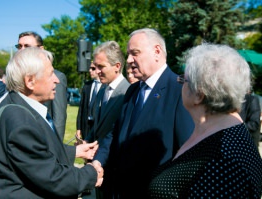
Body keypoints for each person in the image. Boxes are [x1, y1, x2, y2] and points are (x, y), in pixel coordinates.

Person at [148, 43, 262, 198]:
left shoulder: (224, 161)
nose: (180, 84)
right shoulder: (214, 132)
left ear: (199, 95)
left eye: (184, 80)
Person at [0, 47, 104, 198]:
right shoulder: (20, 121)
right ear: (30, 81)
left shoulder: (20, 107)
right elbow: (52, 178)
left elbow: (35, 152)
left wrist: (75, 151)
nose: (57, 79)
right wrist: (91, 173)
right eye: (50, 74)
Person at [104, 28, 194, 199]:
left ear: (157, 52)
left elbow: (186, 154)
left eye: (135, 53)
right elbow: (117, 135)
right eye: (128, 54)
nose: (129, 60)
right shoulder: (132, 91)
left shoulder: (180, 90)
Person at [82, 41, 130, 199]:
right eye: (95, 66)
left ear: (117, 66)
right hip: (97, 164)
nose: (96, 71)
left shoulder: (128, 92)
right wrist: (86, 142)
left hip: (114, 167)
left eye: (101, 66)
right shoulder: (102, 89)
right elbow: (97, 124)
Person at [16, 31, 67, 141]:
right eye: (19, 46)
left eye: (27, 46)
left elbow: (59, 118)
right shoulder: (14, 76)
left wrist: (57, 148)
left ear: (41, 49)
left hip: (42, 141)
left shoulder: (56, 77)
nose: (22, 50)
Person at [77, 62, 102, 140]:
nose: (90, 70)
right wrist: (78, 128)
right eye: (90, 68)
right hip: (86, 124)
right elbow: (81, 108)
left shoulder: (106, 86)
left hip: (97, 125)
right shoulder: (87, 85)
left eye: (93, 68)